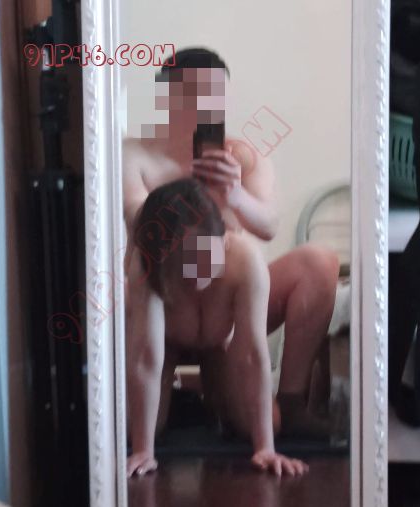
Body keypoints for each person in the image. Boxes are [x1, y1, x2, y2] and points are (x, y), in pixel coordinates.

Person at [123, 47, 339, 468]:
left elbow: (269, 225)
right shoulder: (134, 154)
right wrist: (193, 193)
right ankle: (183, 395)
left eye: (217, 95)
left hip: (225, 306)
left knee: (319, 262)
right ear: (169, 98)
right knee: (141, 430)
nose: (210, 106)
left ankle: (290, 400)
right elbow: (140, 222)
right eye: (196, 95)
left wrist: (235, 194)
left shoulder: (240, 154)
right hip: (168, 304)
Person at [126, 177, 309, 478]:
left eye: (203, 257)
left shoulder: (246, 262)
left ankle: (211, 394)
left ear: (224, 239)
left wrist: (265, 447)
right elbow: (146, 357)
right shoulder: (146, 266)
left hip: (219, 343)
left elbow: (251, 354)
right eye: (182, 261)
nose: (194, 271)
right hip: (166, 344)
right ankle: (179, 399)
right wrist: (143, 450)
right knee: (136, 429)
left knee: (262, 426)